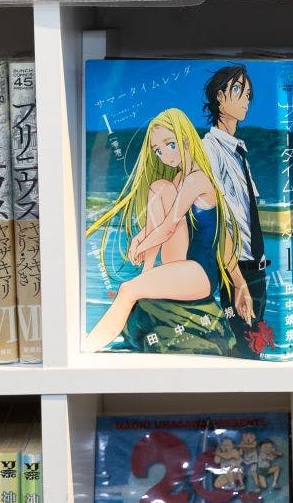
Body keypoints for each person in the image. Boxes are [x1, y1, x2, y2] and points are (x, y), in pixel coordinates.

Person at [84, 108, 253, 352]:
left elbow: (174, 229)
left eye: (170, 144)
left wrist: (239, 283)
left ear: (186, 139)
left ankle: (88, 348)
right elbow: (162, 222)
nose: (164, 156)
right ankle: (147, 271)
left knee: (127, 289)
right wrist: (140, 238)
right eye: (158, 151)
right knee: (160, 187)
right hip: (183, 262)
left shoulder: (197, 179)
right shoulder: (179, 178)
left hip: (200, 273)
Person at [201, 66, 270, 356]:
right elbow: (218, 220)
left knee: (254, 351)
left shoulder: (239, 150)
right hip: (237, 270)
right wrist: (238, 281)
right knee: (244, 353)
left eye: (248, 94)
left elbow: (245, 212)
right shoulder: (210, 149)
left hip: (257, 268)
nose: (246, 100)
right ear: (219, 97)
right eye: (238, 91)